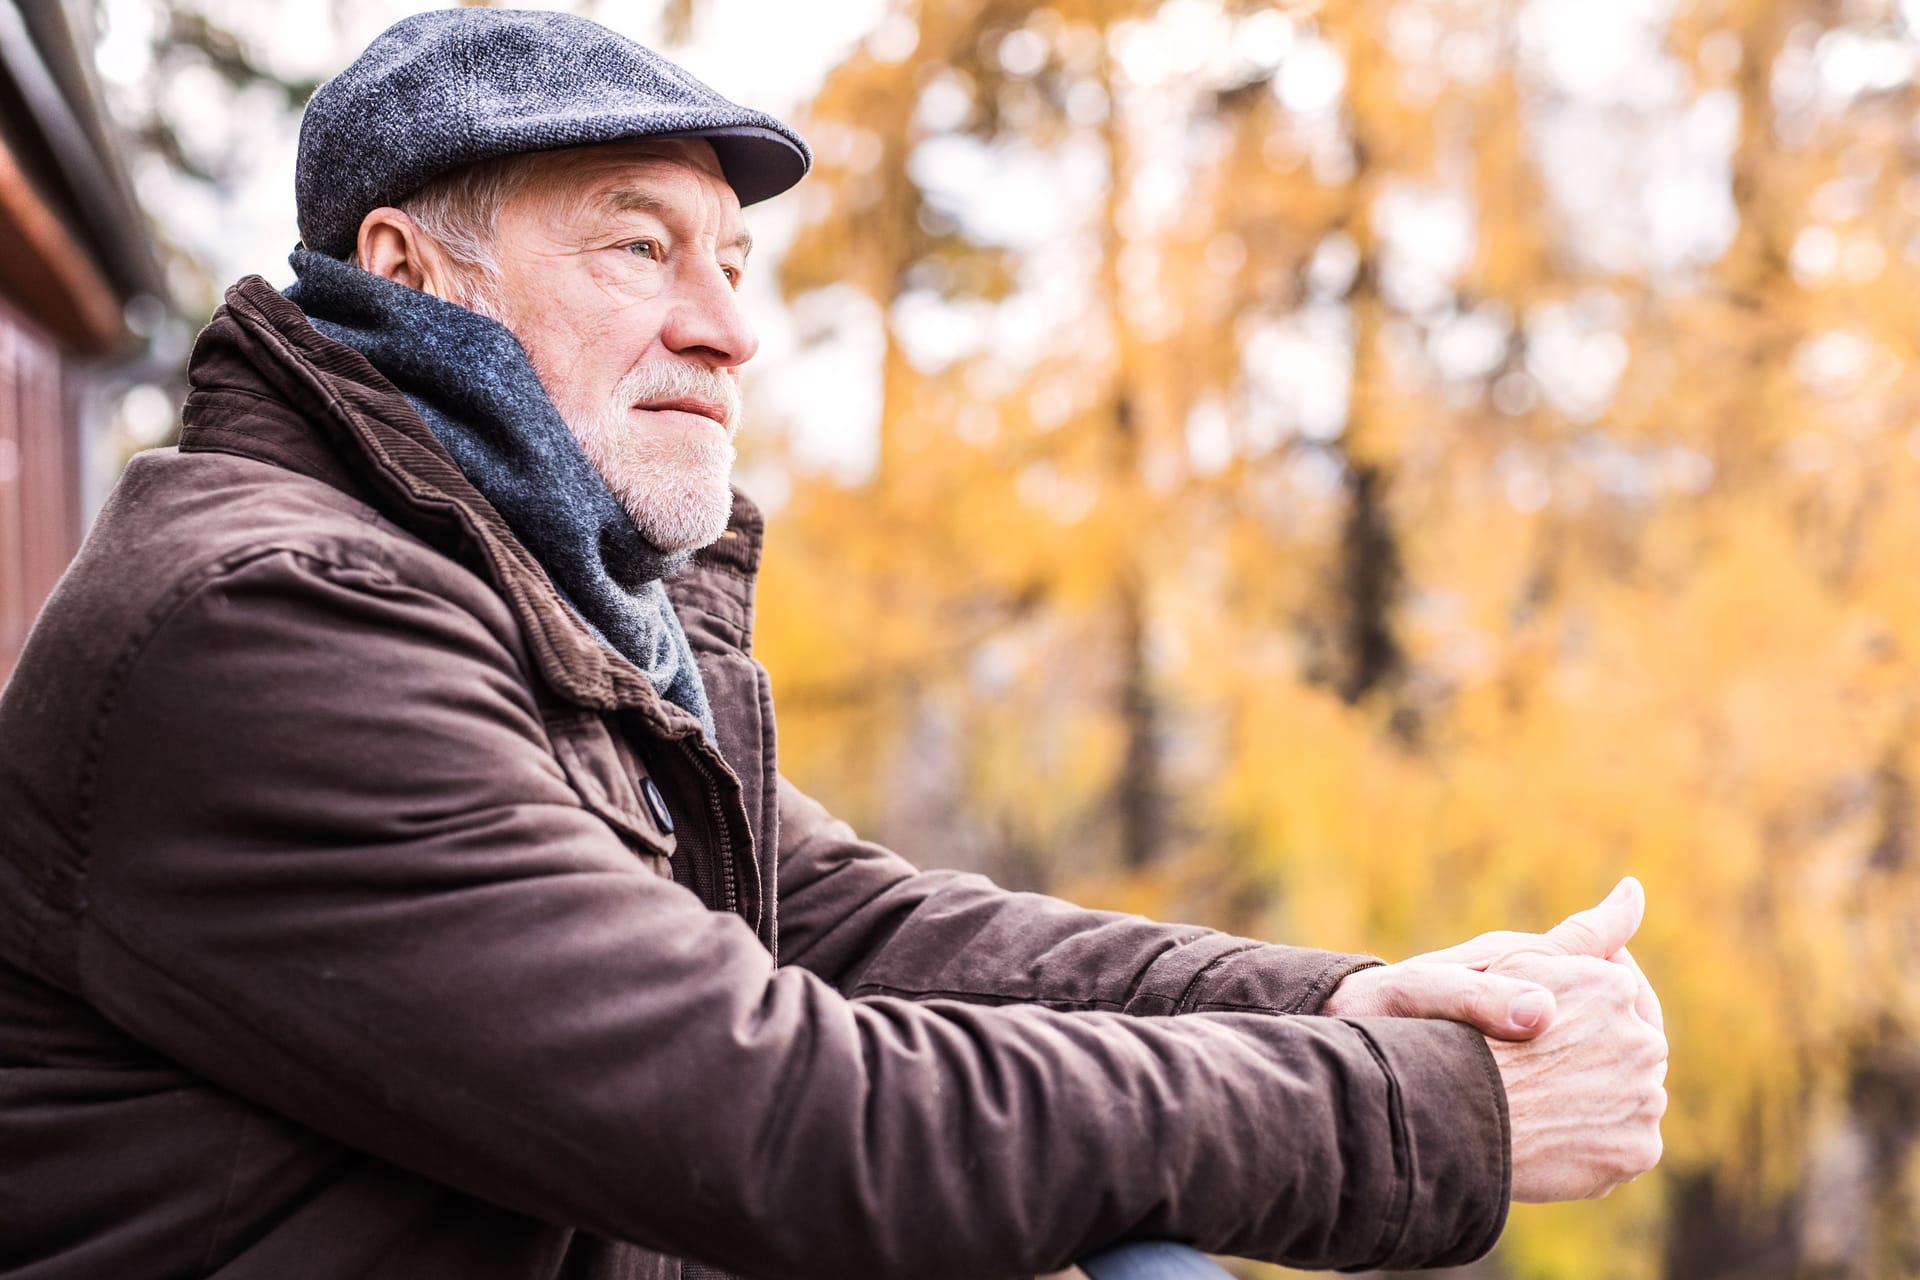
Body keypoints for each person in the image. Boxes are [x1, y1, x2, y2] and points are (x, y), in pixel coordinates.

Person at [0, 10, 1667, 1279]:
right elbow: (780, 1109)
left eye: (733, 262)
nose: (726, 326)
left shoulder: (541, 607)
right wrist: (1422, 1114)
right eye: (640, 246)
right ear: (407, 273)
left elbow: (851, 927)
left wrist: (1353, 1000)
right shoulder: (272, 627)